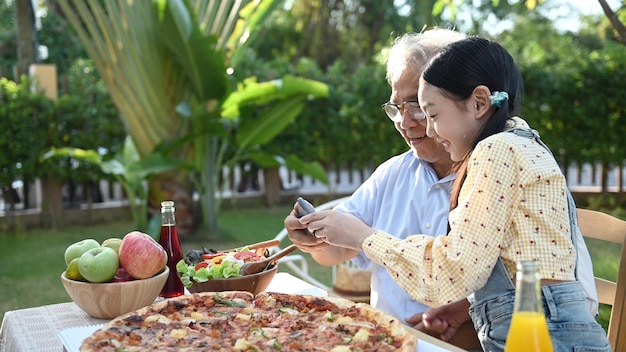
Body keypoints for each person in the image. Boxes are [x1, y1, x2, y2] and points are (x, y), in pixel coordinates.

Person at [284, 29, 598, 348]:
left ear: (477, 101)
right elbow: (526, 267)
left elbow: (453, 273)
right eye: (397, 108)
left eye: (427, 109)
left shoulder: (493, 154)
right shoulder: (526, 144)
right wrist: (469, 307)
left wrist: (364, 236)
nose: (413, 124)